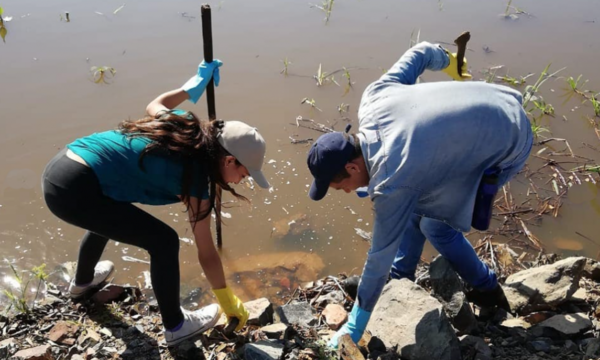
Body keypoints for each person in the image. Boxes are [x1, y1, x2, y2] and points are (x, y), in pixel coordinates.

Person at [306, 42, 532, 347]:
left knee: (434, 225)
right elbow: (422, 51)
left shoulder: (391, 181)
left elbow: (378, 256)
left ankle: (487, 288)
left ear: (351, 165)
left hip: (510, 139)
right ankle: (402, 278)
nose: (347, 191)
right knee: (416, 202)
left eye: (340, 185)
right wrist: (451, 63)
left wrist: (355, 325)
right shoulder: (374, 97)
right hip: (503, 100)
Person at [42, 59, 271, 346]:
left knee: (110, 212)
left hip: (64, 165)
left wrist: (191, 87)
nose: (241, 180)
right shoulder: (197, 179)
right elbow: (207, 252)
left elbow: (156, 103)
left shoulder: (186, 126)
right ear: (228, 160)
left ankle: (83, 284)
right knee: (163, 241)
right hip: (74, 190)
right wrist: (227, 300)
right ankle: (176, 325)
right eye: (243, 172)